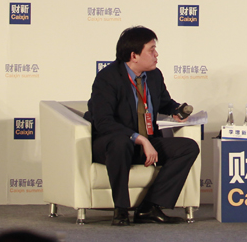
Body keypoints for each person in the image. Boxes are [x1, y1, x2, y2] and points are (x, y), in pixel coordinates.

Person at [84, 26, 199, 226]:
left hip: (148, 142)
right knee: (121, 143)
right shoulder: (108, 78)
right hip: (114, 144)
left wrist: (176, 110)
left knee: (188, 147)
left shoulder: (154, 76)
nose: (156, 54)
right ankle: (121, 209)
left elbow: (164, 102)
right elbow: (103, 122)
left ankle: (149, 207)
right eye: (151, 50)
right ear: (134, 55)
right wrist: (140, 139)